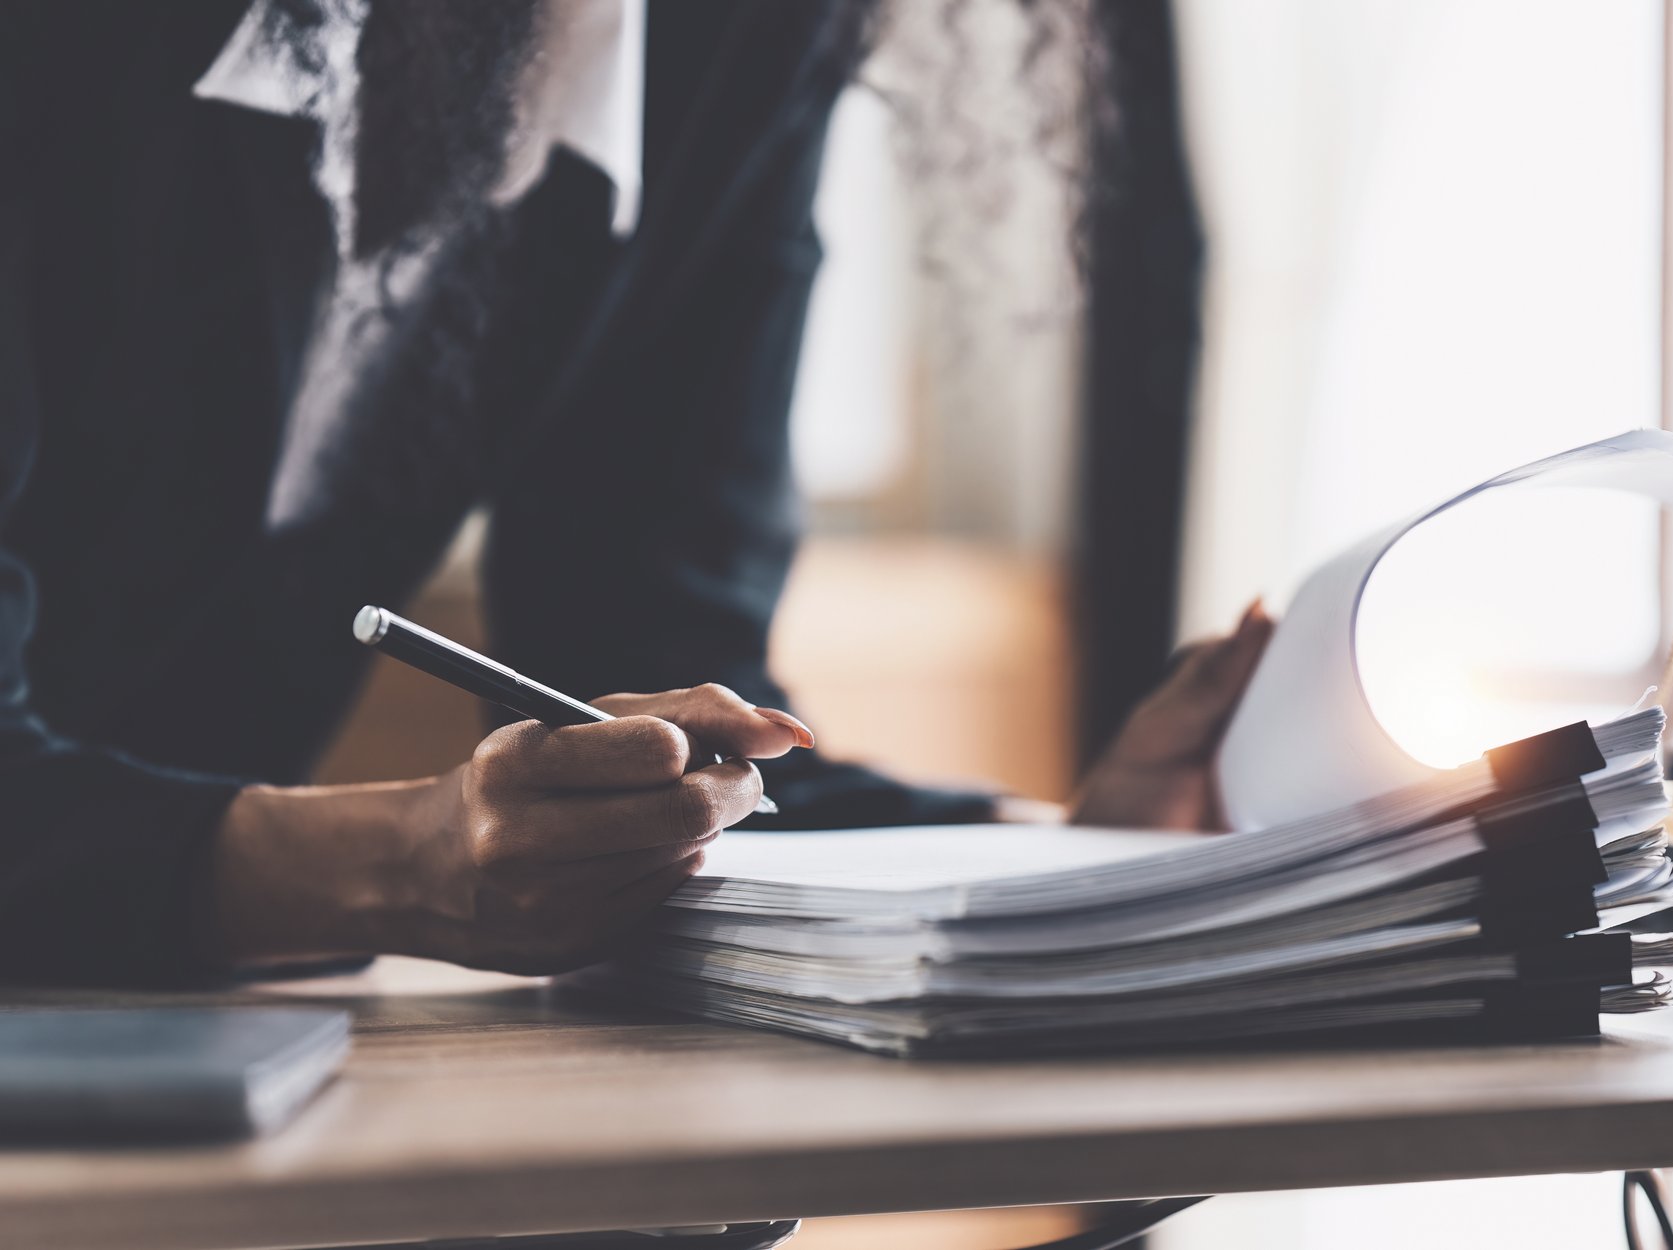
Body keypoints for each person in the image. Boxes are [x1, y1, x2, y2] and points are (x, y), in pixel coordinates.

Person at [0, 0, 1266, 986]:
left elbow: (663, 698)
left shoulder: (721, 47)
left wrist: (1083, 863)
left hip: (154, 1029)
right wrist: (401, 864)